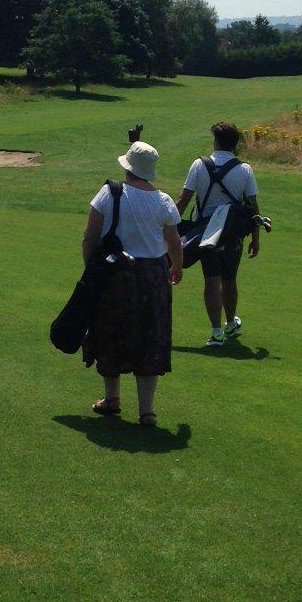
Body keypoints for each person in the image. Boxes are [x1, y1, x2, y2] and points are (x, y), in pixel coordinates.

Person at [82, 141, 183, 426]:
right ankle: (146, 411)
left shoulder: (109, 193)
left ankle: (112, 398)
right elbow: (174, 241)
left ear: (127, 167)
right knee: (151, 336)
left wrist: (91, 268)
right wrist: (176, 266)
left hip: (116, 272)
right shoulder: (163, 200)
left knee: (110, 331)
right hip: (153, 275)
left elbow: (89, 236)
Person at [176, 122, 262, 345]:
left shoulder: (199, 165)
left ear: (215, 141)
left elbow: (184, 200)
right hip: (232, 234)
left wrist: (168, 227)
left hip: (206, 234)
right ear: (235, 145)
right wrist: (255, 238)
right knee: (230, 279)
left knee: (211, 279)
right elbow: (253, 207)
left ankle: (216, 331)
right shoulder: (244, 169)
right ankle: (231, 323)